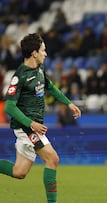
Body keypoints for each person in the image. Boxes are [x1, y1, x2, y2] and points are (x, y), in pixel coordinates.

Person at [0, 33, 81, 203]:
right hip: (26, 126)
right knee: (52, 159)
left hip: (32, 126)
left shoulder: (40, 70)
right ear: (34, 53)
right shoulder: (20, 76)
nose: (46, 54)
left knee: (19, 172)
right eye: (43, 50)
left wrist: (69, 103)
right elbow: (9, 107)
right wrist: (32, 124)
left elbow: (50, 88)